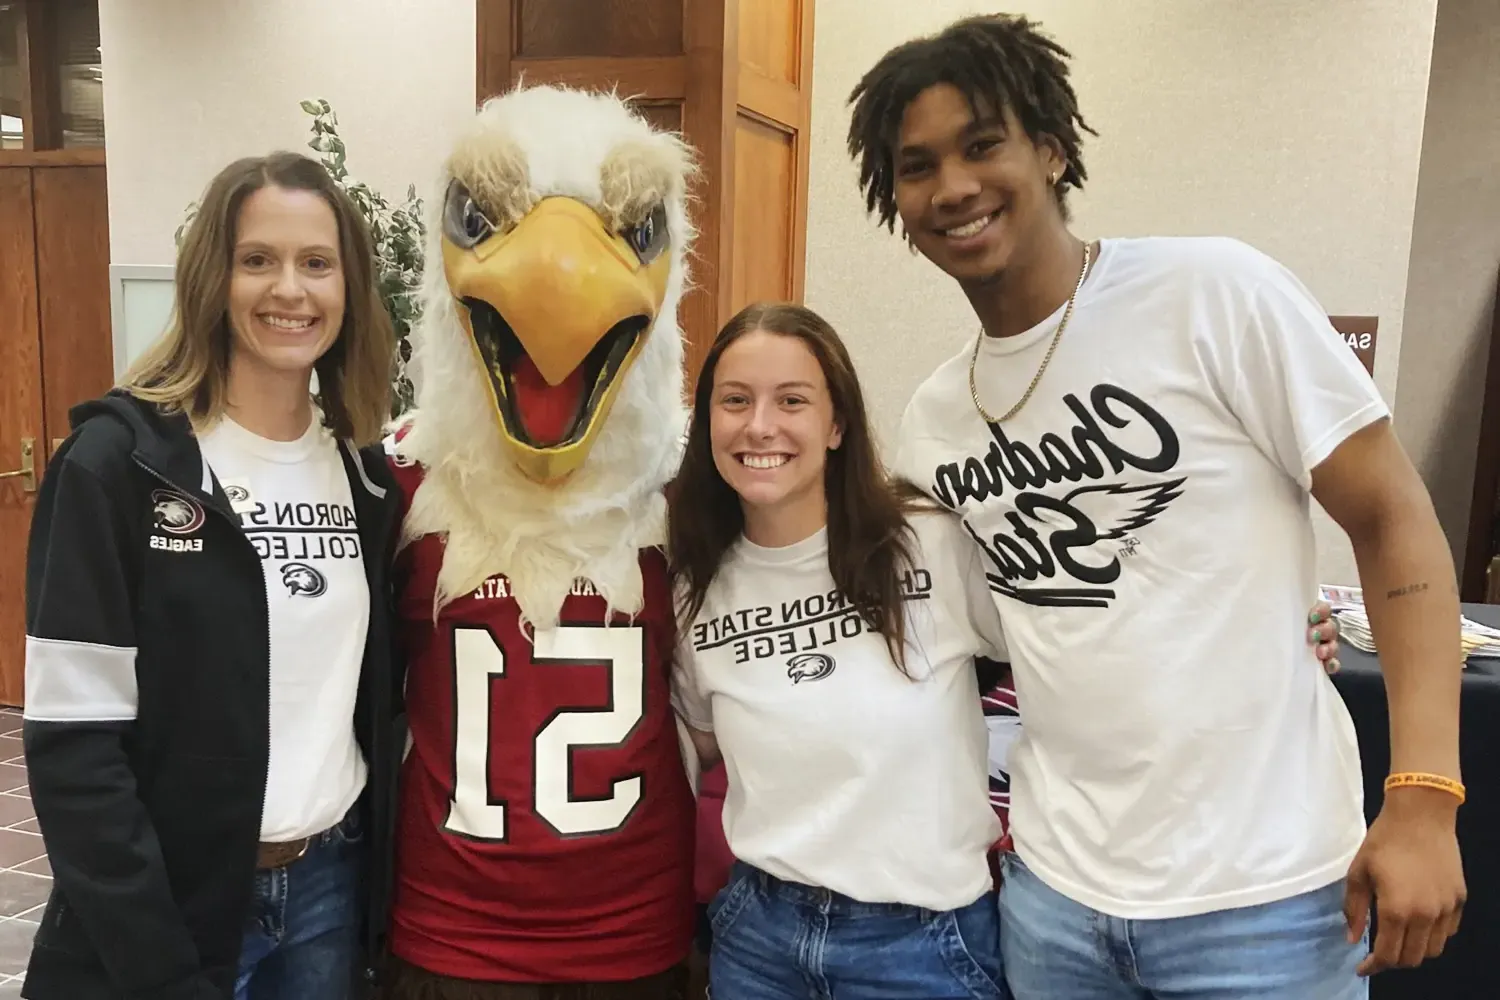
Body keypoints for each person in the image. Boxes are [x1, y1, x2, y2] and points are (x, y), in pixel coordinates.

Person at [847, 13, 1466, 999]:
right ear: (896, 200)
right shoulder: (933, 421)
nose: (953, 185)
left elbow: (1392, 517)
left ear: (1050, 148)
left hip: (1266, 904)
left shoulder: (1211, 292)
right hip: (1052, 905)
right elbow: (972, 635)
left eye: (981, 143)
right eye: (916, 165)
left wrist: (1425, 795)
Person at [666, 302, 1344, 1000]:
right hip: (758, 937)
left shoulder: (929, 539)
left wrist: (1276, 627)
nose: (759, 426)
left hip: (918, 944)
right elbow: (701, 743)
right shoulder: (694, 585)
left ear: (837, 425)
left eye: (793, 401)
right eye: (735, 401)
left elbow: (1097, 625)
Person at [21, 151, 403, 1000]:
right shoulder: (116, 466)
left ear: (349, 288)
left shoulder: (366, 475)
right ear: (211, 279)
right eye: (257, 260)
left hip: (327, 896)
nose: (289, 291)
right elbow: (74, 749)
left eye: (317, 264)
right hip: (172, 902)